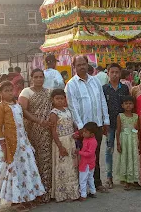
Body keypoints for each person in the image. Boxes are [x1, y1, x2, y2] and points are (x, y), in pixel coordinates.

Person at [0, 81, 45, 210]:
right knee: (12, 169)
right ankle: (15, 200)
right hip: (9, 144)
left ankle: (27, 196)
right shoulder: (0, 107)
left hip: (22, 141)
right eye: (6, 91)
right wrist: (3, 146)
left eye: (11, 90)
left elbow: (25, 116)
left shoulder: (17, 105)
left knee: (25, 167)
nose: (10, 93)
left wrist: (39, 121)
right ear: (0, 93)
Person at [65, 55, 110, 193]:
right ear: (74, 67)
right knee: (83, 157)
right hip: (83, 128)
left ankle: (97, 183)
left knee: (94, 155)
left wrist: (106, 121)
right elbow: (73, 107)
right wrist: (80, 128)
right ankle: (83, 186)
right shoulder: (71, 85)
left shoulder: (95, 81)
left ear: (87, 64)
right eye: (78, 65)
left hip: (96, 125)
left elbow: (102, 100)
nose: (82, 67)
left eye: (84, 64)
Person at [18, 68, 52, 203]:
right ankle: (35, 192)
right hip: (32, 129)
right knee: (33, 159)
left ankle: (47, 190)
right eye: (36, 77)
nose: (39, 79)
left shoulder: (48, 92)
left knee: (46, 159)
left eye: (41, 77)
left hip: (46, 131)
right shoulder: (26, 92)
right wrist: (38, 121)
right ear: (31, 78)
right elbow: (23, 110)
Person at [49, 89, 80, 202]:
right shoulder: (54, 113)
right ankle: (63, 193)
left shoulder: (68, 110)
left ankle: (73, 192)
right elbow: (53, 132)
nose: (60, 101)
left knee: (72, 166)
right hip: (61, 142)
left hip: (71, 140)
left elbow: (73, 125)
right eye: (57, 99)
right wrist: (60, 147)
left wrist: (76, 134)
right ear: (53, 100)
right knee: (63, 167)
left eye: (62, 98)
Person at [103, 63, 130, 189]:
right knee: (109, 150)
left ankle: (124, 177)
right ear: (108, 73)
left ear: (120, 73)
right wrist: (104, 123)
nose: (114, 74)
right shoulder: (103, 89)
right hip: (109, 125)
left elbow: (128, 106)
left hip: (123, 125)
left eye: (117, 72)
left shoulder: (124, 88)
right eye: (112, 72)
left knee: (123, 150)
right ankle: (109, 177)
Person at [116, 96, 140, 190]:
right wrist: (118, 143)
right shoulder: (120, 116)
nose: (128, 105)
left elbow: (137, 129)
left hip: (133, 139)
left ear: (133, 105)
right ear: (122, 105)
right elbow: (118, 130)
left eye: (130, 103)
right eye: (126, 103)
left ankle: (134, 179)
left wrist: (138, 141)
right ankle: (126, 180)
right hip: (124, 139)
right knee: (125, 158)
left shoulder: (136, 116)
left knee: (133, 158)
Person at [78, 122, 98, 201]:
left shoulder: (92, 142)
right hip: (90, 163)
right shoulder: (87, 138)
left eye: (85, 132)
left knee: (83, 179)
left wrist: (79, 152)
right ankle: (92, 191)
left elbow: (90, 153)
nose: (83, 133)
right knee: (90, 178)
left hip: (86, 163)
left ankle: (83, 195)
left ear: (92, 134)